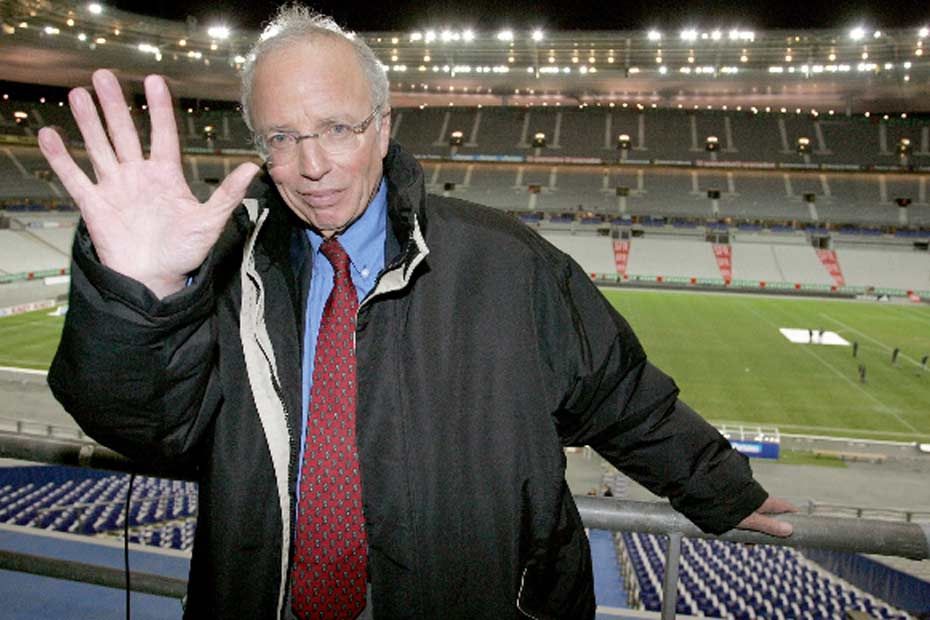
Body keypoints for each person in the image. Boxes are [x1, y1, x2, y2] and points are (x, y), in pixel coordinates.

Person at [38, 6, 795, 619]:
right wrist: (140, 295)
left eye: (337, 128)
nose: (312, 164)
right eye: (282, 138)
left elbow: (618, 393)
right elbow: (143, 424)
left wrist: (721, 488)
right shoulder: (225, 271)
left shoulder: (508, 262)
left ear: (384, 126)